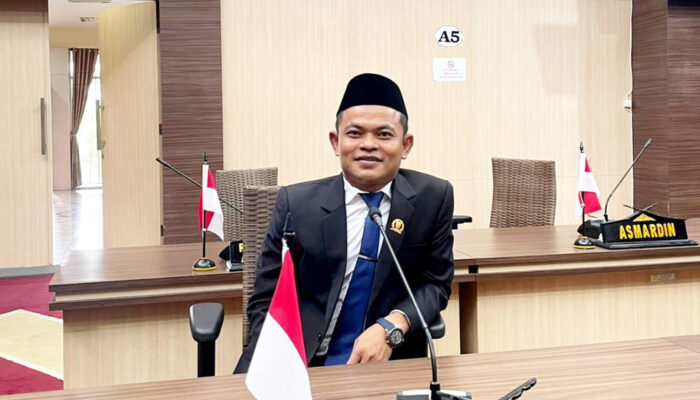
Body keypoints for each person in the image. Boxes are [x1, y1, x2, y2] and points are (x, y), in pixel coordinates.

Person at [234, 73, 454, 373]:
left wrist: (392, 325)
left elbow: (435, 284)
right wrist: (282, 363)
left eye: (384, 135)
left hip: (386, 363)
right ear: (336, 142)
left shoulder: (433, 198)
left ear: (406, 145)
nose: (368, 144)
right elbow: (265, 300)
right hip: (298, 361)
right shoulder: (296, 204)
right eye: (355, 133)